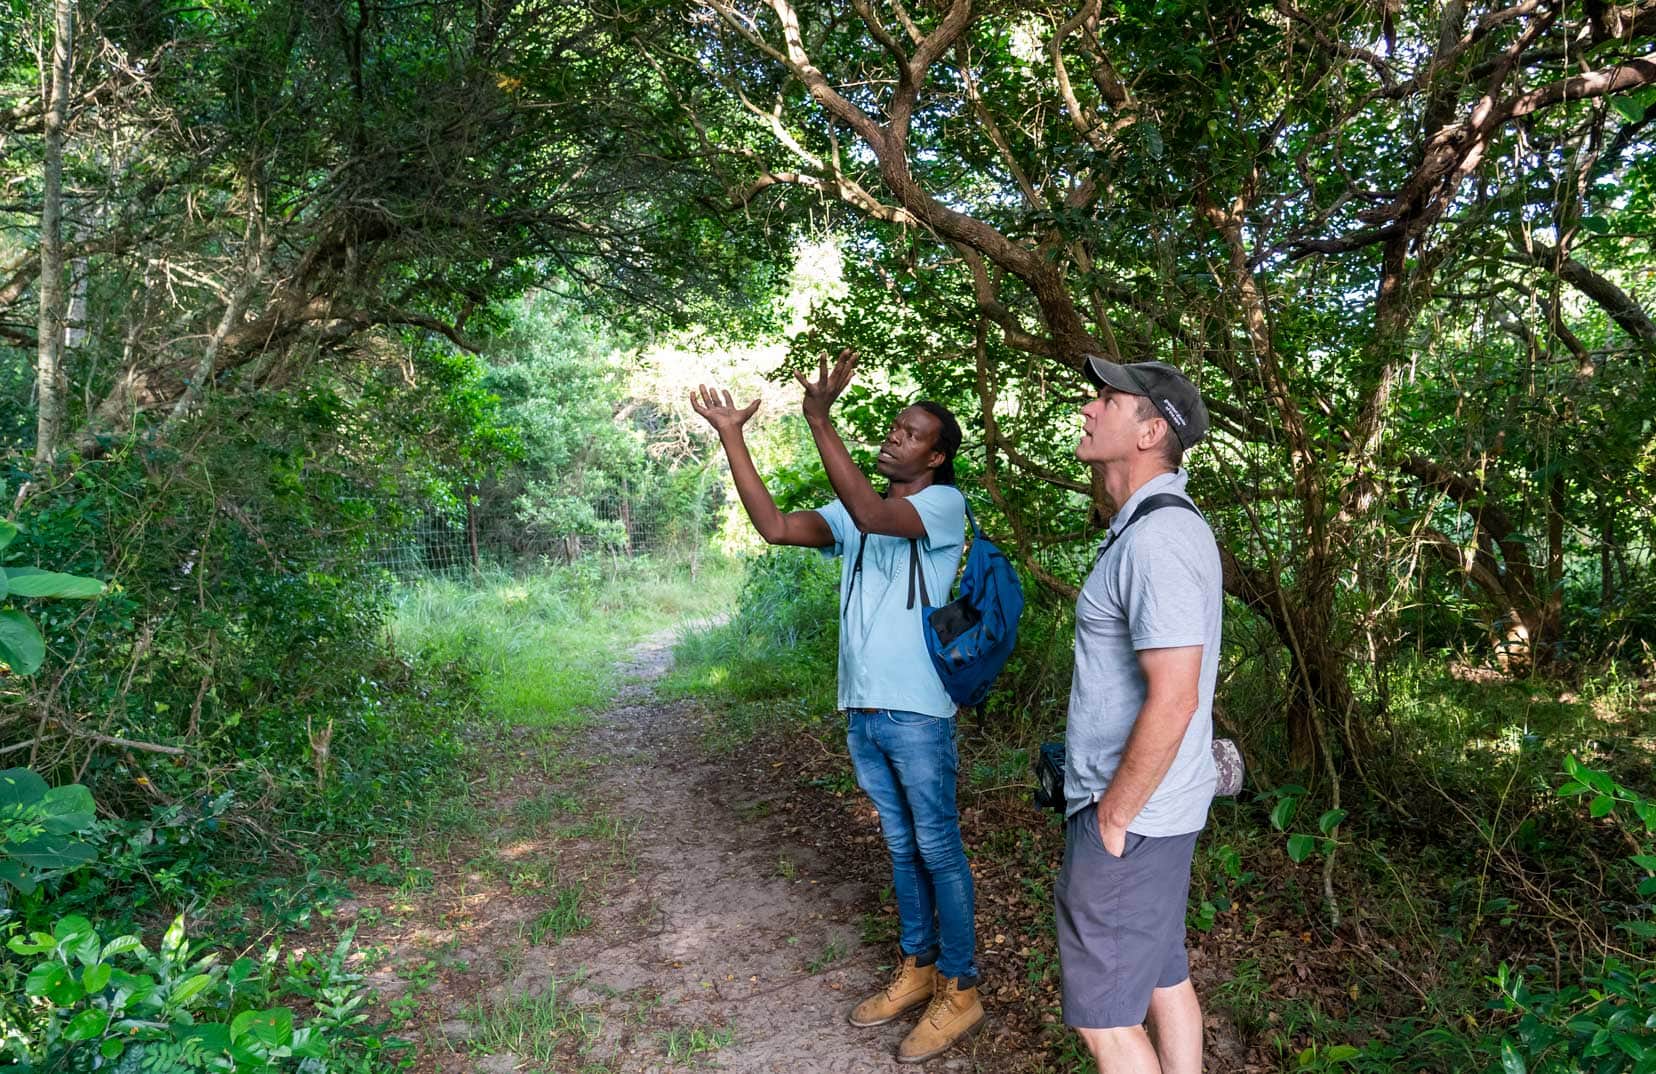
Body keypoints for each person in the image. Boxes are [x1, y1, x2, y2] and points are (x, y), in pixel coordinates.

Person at [689, 348, 984, 1064]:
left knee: (938, 846)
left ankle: (962, 987)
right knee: (901, 844)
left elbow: (870, 511)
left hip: (916, 711)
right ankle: (918, 969)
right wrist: (734, 436)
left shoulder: (940, 506)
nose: (894, 437)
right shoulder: (858, 513)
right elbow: (776, 528)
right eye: (893, 427)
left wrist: (819, 418)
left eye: (911, 434)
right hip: (863, 710)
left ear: (938, 457)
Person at [1060, 357, 1221, 1074]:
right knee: (1164, 977)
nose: (1089, 409)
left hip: (1133, 816)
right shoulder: (1146, 527)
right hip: (1158, 810)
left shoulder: (1158, 539)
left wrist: (1113, 818)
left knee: (1105, 1022)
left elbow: (1176, 695)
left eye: (1107, 401)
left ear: (1152, 431)